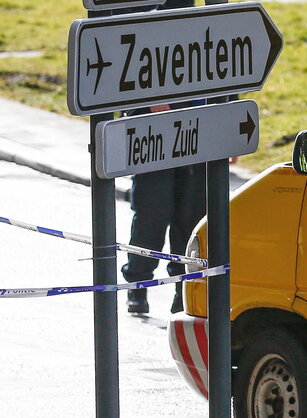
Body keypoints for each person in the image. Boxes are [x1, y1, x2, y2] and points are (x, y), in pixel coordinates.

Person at [120, 0, 205, 315]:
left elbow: (226, 71)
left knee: (191, 216)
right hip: (154, 134)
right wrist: (151, 98)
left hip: (197, 134)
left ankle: (182, 291)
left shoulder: (202, 17)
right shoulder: (145, 17)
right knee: (152, 215)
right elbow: (126, 64)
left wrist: (228, 132)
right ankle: (138, 286)